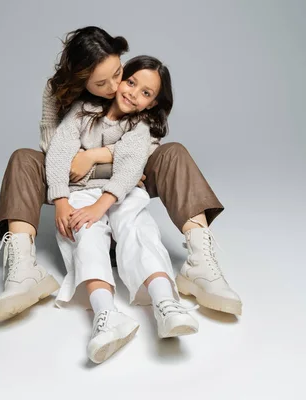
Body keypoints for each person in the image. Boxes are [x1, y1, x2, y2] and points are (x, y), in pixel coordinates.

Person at [0, 26, 242, 323]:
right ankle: (23, 272)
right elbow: (54, 148)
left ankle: (201, 263)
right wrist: (72, 178)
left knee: (174, 152)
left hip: (127, 174)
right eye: (103, 82)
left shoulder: (135, 100)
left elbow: (144, 149)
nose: (116, 86)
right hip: (70, 177)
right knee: (23, 158)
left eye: (118, 72)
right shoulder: (69, 101)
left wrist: (94, 157)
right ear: (82, 81)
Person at [48, 55, 200, 364]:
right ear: (121, 79)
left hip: (122, 191)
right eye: (131, 82)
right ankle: (106, 316)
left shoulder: (139, 127)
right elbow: (59, 152)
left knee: (137, 227)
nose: (133, 93)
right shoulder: (83, 111)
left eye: (145, 93)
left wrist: (101, 204)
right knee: (85, 231)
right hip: (79, 191)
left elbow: (131, 168)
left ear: (150, 104)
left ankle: (165, 303)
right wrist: (61, 200)